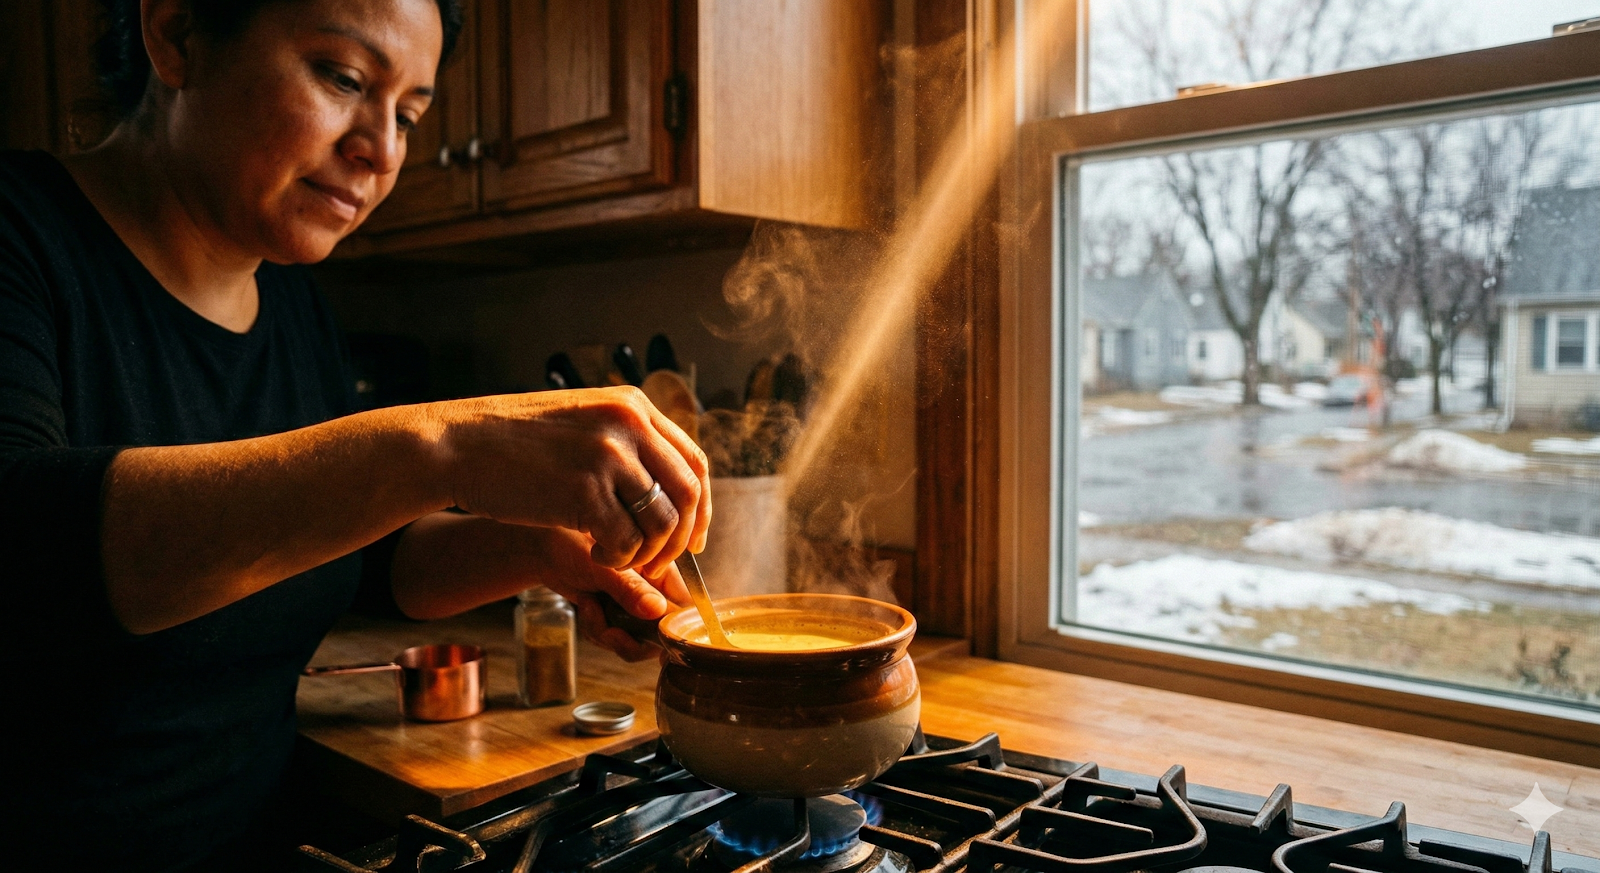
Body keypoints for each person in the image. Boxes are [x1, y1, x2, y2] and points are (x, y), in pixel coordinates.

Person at [0, 0, 710, 869]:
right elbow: (26, 545)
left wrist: (541, 553)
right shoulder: (17, 236)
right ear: (178, 32)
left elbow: (369, 553)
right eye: (342, 78)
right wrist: (444, 444)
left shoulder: (295, 309)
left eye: (408, 113)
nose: (380, 150)